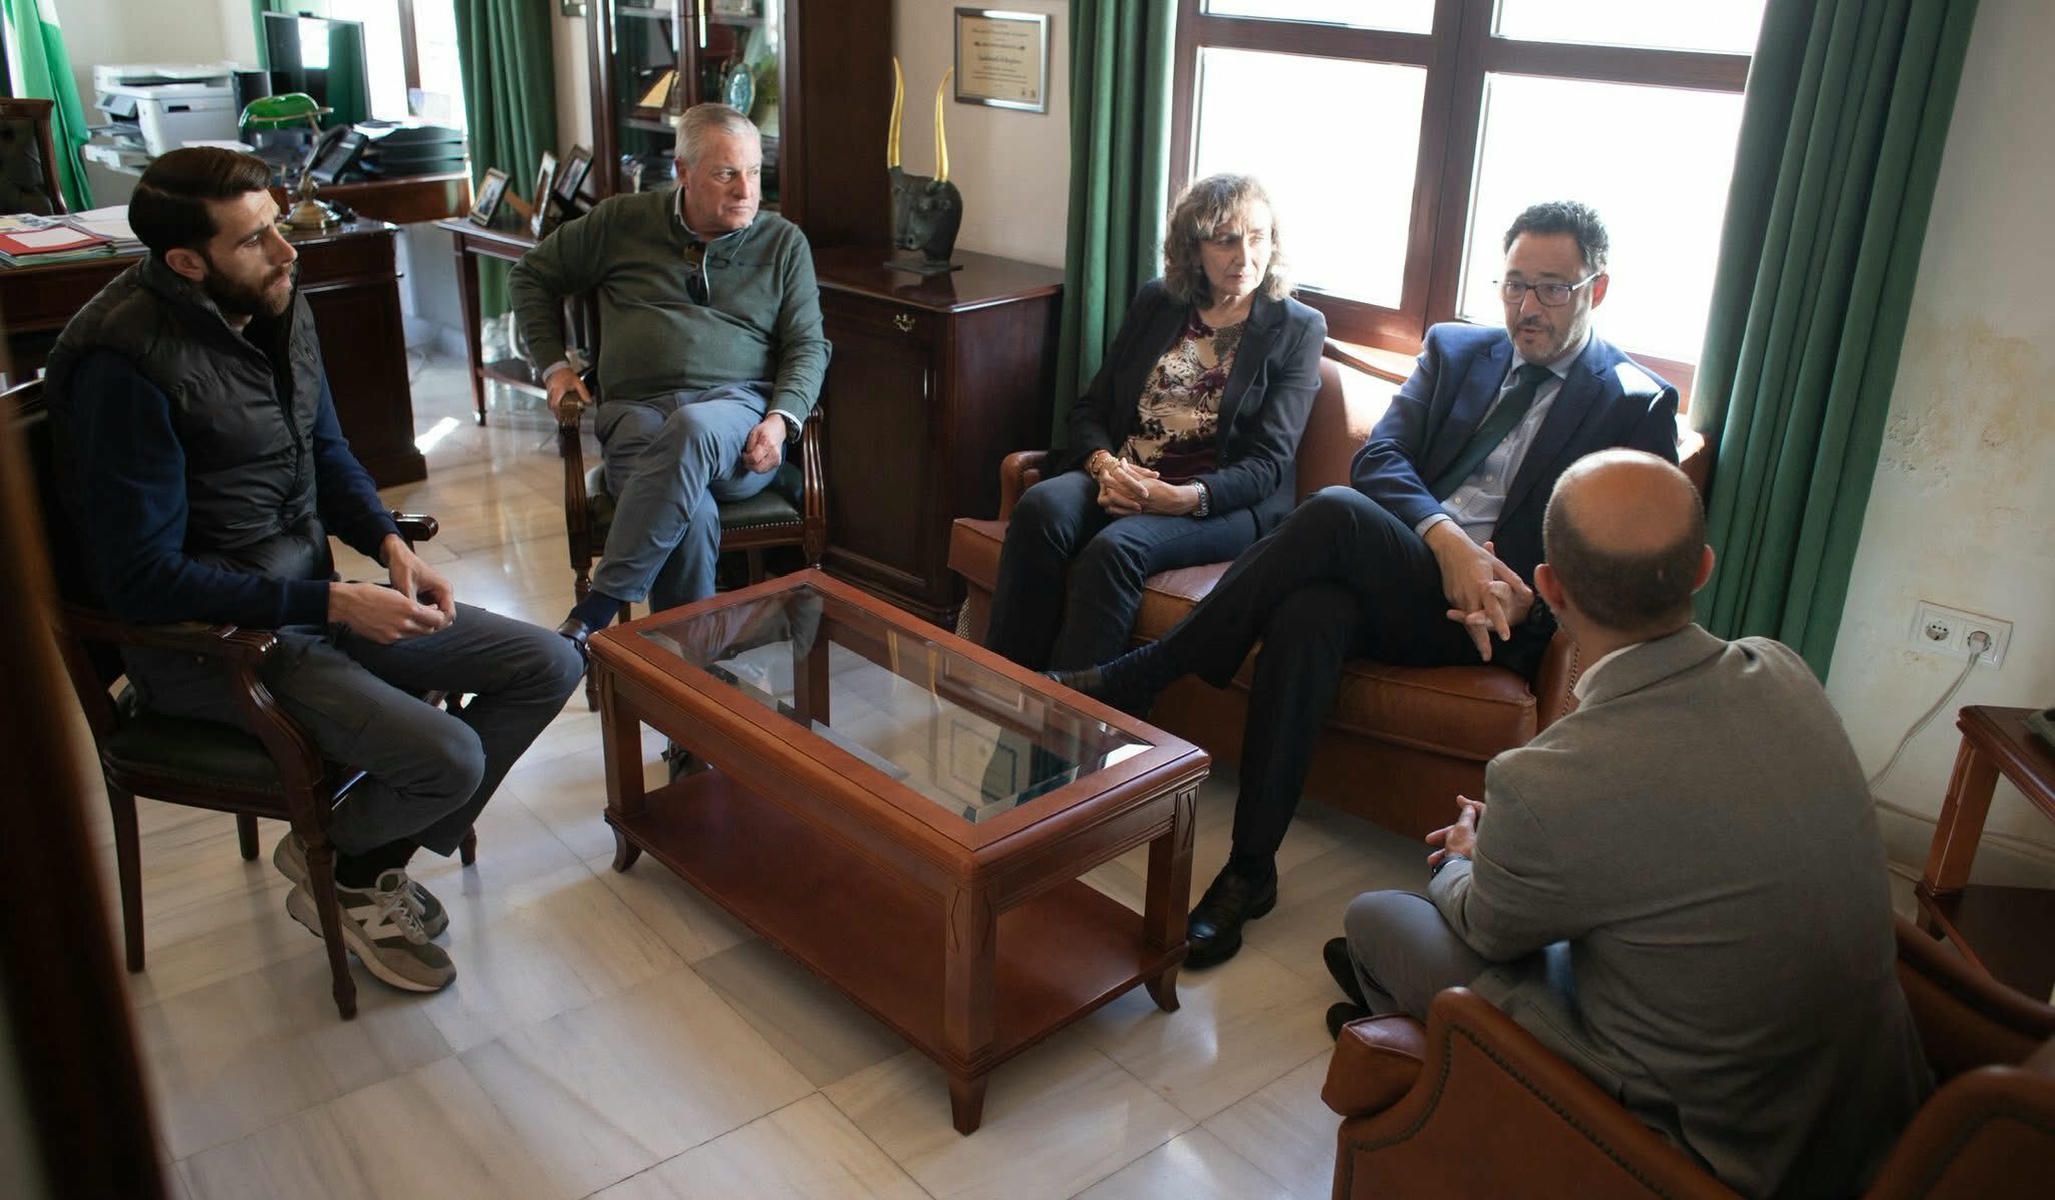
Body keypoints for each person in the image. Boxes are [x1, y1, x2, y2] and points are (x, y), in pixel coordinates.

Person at [1055, 200, 1681, 967]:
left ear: (1596, 289)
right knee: (1308, 612)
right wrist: (1446, 540)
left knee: (1332, 512)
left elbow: (1618, 562)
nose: (1526, 307)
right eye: (1514, 284)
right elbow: (1379, 457)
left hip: (1495, 617)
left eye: (1551, 288)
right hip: (1409, 572)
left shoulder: (1632, 401)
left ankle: (1150, 670)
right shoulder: (1457, 350)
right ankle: (1250, 871)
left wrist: (1533, 603)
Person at [46, 147, 585, 995]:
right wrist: (332, 602)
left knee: (549, 662)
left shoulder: (273, 301)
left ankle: (347, 860)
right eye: (254, 239)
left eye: (277, 223)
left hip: (308, 603)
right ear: (186, 262)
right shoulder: (124, 367)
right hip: (210, 644)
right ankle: (351, 866)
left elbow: (324, 452)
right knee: (448, 758)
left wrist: (388, 545)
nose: (286, 249)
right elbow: (141, 580)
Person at [1327, 450, 1928, 1198]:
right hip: (1867, 1117)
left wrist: (1462, 857)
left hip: (1707, 1145)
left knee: (1376, 918)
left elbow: (1488, 930)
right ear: (1702, 568)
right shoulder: (1783, 670)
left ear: (1549, 586)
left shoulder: (1545, 778)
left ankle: (1455, 1072)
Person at [510, 103, 830, 648]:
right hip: (636, 415)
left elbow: (808, 343)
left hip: (735, 422)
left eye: (754, 172)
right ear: (683, 171)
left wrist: (781, 420)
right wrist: (555, 367)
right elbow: (531, 275)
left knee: (692, 427)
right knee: (690, 516)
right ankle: (697, 669)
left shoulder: (782, 243)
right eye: (726, 173)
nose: (746, 190)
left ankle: (597, 609)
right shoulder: (621, 222)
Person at [983, 174, 1324, 672]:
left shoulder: (1298, 327)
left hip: (1219, 502)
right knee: (1040, 507)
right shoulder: (1159, 303)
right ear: (1193, 248)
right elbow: (1092, 407)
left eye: (1257, 238)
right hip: (1124, 474)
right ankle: (1004, 688)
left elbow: (1269, 464)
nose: (1245, 256)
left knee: (1114, 550)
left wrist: (1183, 498)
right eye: (1225, 240)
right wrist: (1105, 468)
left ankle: (1074, 712)